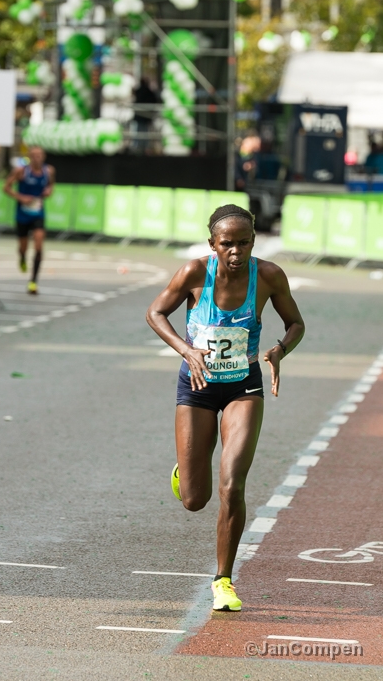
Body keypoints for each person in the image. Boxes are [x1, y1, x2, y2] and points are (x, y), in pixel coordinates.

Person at [146, 204, 305, 612]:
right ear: (212, 244)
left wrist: (280, 349)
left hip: (243, 386)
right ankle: (186, 468)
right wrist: (185, 349)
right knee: (194, 499)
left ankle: (223, 581)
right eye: (227, 244)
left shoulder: (268, 276)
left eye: (244, 243)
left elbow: (296, 323)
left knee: (232, 484)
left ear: (254, 242)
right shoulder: (194, 273)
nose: (236, 252)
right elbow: (155, 312)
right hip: (197, 386)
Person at [3, 146, 55, 294]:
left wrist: (49, 191)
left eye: (39, 155)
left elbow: (51, 185)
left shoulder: (49, 171)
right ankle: (22, 257)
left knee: (39, 245)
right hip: (22, 214)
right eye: (34, 155)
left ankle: (33, 281)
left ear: (43, 156)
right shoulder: (21, 171)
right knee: (23, 247)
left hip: (38, 213)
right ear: (29, 157)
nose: (37, 158)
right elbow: (6, 188)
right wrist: (21, 197)